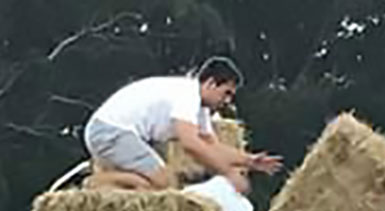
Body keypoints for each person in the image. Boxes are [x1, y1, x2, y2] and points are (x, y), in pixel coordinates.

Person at [84, 56, 281, 190]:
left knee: (154, 187)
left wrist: (250, 161)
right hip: (110, 132)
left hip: (118, 134)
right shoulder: (187, 95)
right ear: (211, 83)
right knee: (165, 183)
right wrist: (229, 173)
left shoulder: (201, 109)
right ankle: (96, 182)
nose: (228, 101)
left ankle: (111, 184)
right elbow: (190, 144)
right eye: (226, 93)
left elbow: (212, 147)